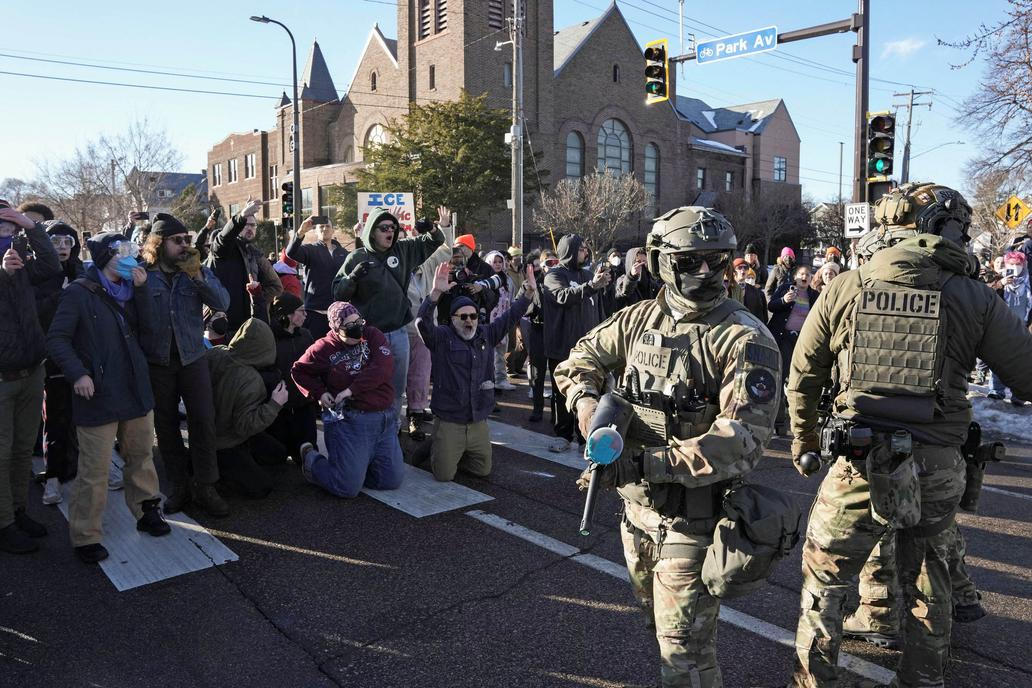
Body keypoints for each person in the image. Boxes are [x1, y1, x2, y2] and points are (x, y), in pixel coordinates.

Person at [786, 182, 1032, 688]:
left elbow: (804, 377)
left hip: (859, 459)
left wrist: (805, 441)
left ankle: (813, 680)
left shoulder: (846, 286)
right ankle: (923, 678)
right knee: (929, 579)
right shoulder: (976, 297)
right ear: (946, 230)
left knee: (825, 581)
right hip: (939, 463)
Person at [554, 206, 781, 687]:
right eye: (689, 261)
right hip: (636, 515)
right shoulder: (640, 319)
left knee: (685, 653)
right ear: (661, 262)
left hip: (693, 521)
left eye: (717, 261)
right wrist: (589, 411)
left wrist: (643, 463)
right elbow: (578, 361)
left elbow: (740, 441)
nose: (705, 273)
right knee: (661, 630)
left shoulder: (745, 337)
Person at [46, 231, 170, 563]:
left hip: (135, 389)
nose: (131, 257)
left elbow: (152, 332)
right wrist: (79, 374)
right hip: (98, 394)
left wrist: (143, 293)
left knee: (141, 456)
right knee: (94, 470)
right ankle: (85, 535)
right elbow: (57, 339)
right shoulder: (79, 293)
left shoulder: (134, 289)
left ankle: (147, 512)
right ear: (104, 257)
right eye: (121, 252)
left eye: (132, 249)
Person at [141, 214, 231, 517]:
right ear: (159, 242)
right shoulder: (143, 274)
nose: (184, 245)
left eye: (187, 240)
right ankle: (179, 484)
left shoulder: (195, 271)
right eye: (177, 240)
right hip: (157, 362)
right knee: (165, 426)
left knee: (203, 420)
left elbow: (222, 302)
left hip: (192, 357)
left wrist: (196, 276)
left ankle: (206, 485)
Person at [332, 206, 449, 426]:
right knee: (369, 385)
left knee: (396, 387)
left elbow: (436, 241)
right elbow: (338, 293)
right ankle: (368, 428)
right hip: (369, 336)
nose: (390, 232)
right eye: (384, 228)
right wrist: (353, 278)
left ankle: (391, 429)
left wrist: (432, 228)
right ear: (371, 232)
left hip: (399, 331)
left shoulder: (403, 250)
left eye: (394, 228)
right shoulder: (357, 256)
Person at [417, 264, 535, 481]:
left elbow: (510, 316)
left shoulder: (486, 333)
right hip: (450, 419)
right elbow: (422, 323)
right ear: (452, 319)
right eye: (462, 317)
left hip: (477, 420)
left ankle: (453, 450)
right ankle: (438, 444)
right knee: (444, 476)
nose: (469, 321)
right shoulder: (442, 337)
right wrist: (435, 294)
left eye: (472, 316)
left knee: (482, 470)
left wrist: (528, 293)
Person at [292, 301, 403, 497]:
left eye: (358, 322)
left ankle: (357, 465)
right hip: (352, 420)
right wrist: (319, 392)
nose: (356, 329)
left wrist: (351, 390)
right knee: (347, 488)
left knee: (390, 481)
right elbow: (299, 371)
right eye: (349, 326)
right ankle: (311, 461)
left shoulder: (372, 335)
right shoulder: (323, 348)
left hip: (385, 419)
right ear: (335, 328)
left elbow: (382, 369)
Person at [0, 201, 61, 554]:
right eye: (1, 227)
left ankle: (18, 510)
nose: (6, 235)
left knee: (23, 448)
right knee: (2, 453)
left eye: (10, 227)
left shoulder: (21, 255)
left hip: (31, 369)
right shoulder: (7, 263)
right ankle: (3, 522)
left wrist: (31, 226)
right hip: (2, 379)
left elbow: (52, 266)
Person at [541, 234, 610, 452]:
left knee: (589, 394)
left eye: (586, 249)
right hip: (561, 346)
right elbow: (562, 296)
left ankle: (584, 437)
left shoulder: (588, 275)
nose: (586, 252)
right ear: (569, 250)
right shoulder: (554, 275)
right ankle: (563, 435)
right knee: (562, 394)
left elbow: (598, 309)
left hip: (587, 349)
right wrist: (592, 286)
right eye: (581, 249)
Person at [206, 318, 289, 498]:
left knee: (278, 454)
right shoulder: (252, 381)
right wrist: (275, 404)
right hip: (226, 441)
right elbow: (244, 426)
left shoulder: (216, 353)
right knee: (261, 487)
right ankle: (215, 475)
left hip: (208, 431)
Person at [36, 221, 86, 505]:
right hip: (52, 357)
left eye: (67, 241)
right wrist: (61, 294)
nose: (63, 248)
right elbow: (35, 311)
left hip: (83, 355)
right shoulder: (38, 274)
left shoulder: (82, 270)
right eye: (55, 242)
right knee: (56, 418)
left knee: (90, 417)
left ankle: (98, 469)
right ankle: (53, 476)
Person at [208, 198, 283, 336]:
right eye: (246, 224)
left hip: (250, 325)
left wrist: (255, 299)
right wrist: (241, 216)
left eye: (253, 225)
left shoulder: (254, 253)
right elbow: (223, 240)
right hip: (225, 327)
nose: (250, 228)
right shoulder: (224, 249)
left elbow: (276, 287)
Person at [405, 222, 452, 439]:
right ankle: (395, 419)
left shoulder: (428, 263)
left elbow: (446, 250)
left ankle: (416, 413)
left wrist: (444, 227)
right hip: (399, 329)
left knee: (421, 374)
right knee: (396, 375)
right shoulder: (396, 264)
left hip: (423, 330)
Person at [266, 294, 317, 466]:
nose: (305, 315)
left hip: (304, 405)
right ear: (287, 314)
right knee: (276, 458)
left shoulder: (306, 335)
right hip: (279, 408)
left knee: (308, 454)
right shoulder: (269, 338)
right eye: (301, 311)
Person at [768, 266, 817, 435]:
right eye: (801, 274)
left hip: (802, 342)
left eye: (807, 275)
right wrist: (784, 300)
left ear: (811, 279)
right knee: (779, 378)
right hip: (783, 338)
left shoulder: (814, 295)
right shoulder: (785, 288)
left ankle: (797, 423)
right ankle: (779, 422)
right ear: (795, 277)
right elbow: (771, 306)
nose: (804, 277)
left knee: (797, 381)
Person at [286, 215, 349, 338]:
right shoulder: (310, 249)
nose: (324, 229)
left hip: (339, 314)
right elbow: (290, 252)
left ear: (333, 230)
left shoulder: (343, 253)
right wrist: (301, 232)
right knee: (315, 353)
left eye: (327, 226)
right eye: (321, 226)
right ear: (315, 230)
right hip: (315, 314)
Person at [987, 250, 1031, 404]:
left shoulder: (1028, 283)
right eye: (1011, 264)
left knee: (1020, 363)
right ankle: (996, 390)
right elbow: (986, 294)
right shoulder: (999, 280)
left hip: (1022, 329)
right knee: (997, 359)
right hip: (1001, 327)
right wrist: (1000, 284)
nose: (1015, 267)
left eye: (1018, 264)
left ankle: (1018, 394)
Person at [484, 250, 518, 391]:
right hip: (489, 320)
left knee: (501, 351)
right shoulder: (485, 278)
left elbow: (512, 297)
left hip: (503, 319)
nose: (497, 265)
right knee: (489, 352)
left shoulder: (507, 279)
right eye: (494, 262)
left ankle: (501, 379)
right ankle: (489, 379)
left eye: (500, 262)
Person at [503, 246, 528, 377]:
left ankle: (518, 365)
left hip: (523, 308)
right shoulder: (506, 273)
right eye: (515, 257)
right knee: (511, 341)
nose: (518, 259)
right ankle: (509, 368)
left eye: (520, 256)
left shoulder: (522, 271)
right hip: (511, 309)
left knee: (525, 340)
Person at [729, 257, 767, 322]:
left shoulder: (754, 291)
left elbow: (760, 314)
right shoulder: (727, 289)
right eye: (739, 267)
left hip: (751, 326)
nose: (743, 270)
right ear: (733, 271)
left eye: (745, 268)